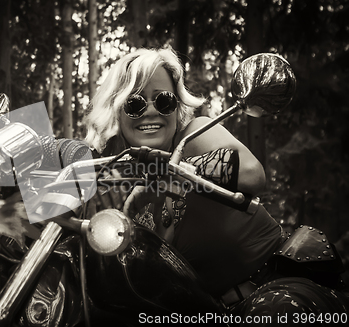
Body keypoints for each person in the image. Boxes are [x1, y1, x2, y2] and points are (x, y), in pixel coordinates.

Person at [83, 48, 349, 322]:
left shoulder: (194, 135)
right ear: (115, 110)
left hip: (277, 287)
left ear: (178, 106)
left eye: (164, 101)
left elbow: (253, 174)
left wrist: (178, 171)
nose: (151, 111)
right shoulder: (114, 191)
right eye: (135, 103)